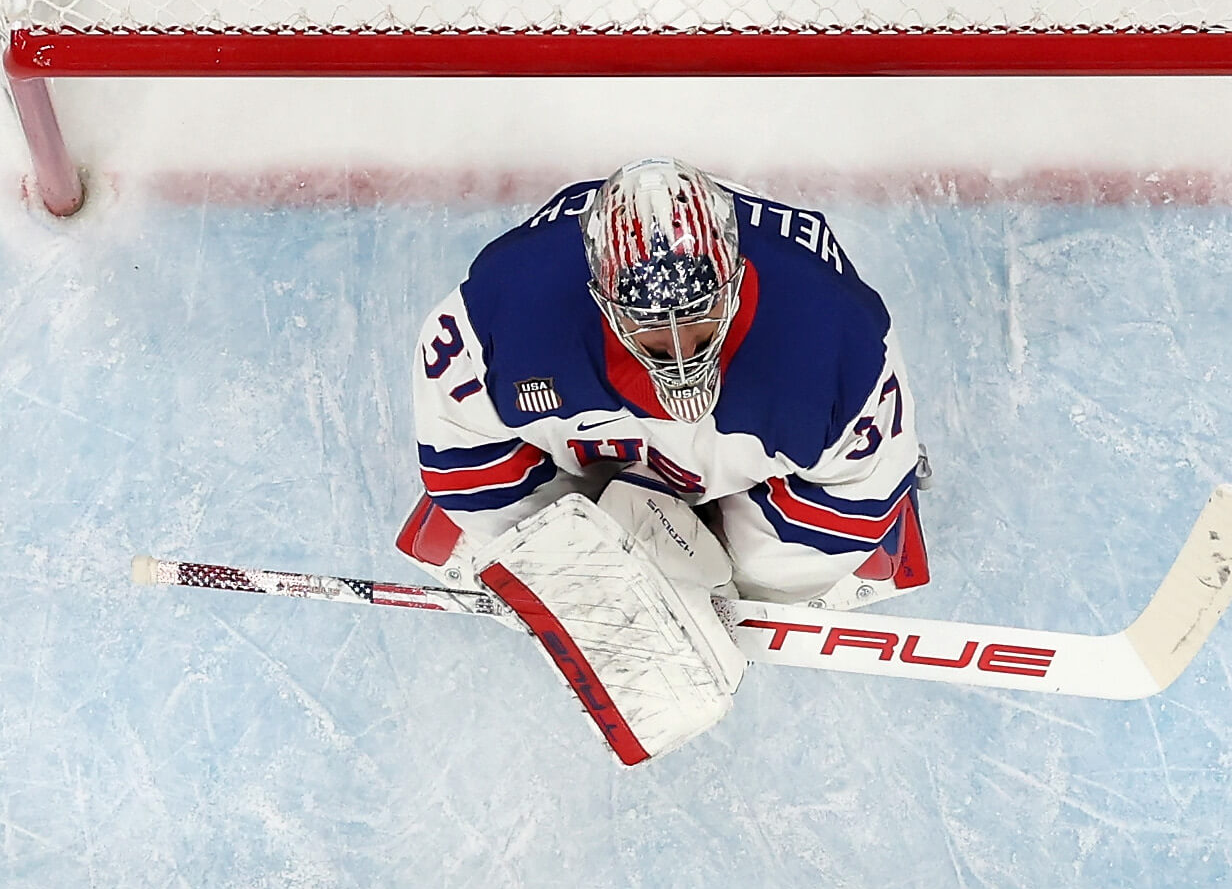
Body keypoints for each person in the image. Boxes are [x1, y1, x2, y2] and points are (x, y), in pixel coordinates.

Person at [396, 156, 928, 616]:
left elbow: (851, 502)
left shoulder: (832, 337)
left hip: (759, 456)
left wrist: (740, 587)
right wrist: (558, 559)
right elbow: (461, 450)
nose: (679, 346)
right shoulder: (507, 312)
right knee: (490, 494)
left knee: (797, 549)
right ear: (600, 298)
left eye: (698, 313)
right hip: (592, 450)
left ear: (736, 281)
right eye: (648, 323)